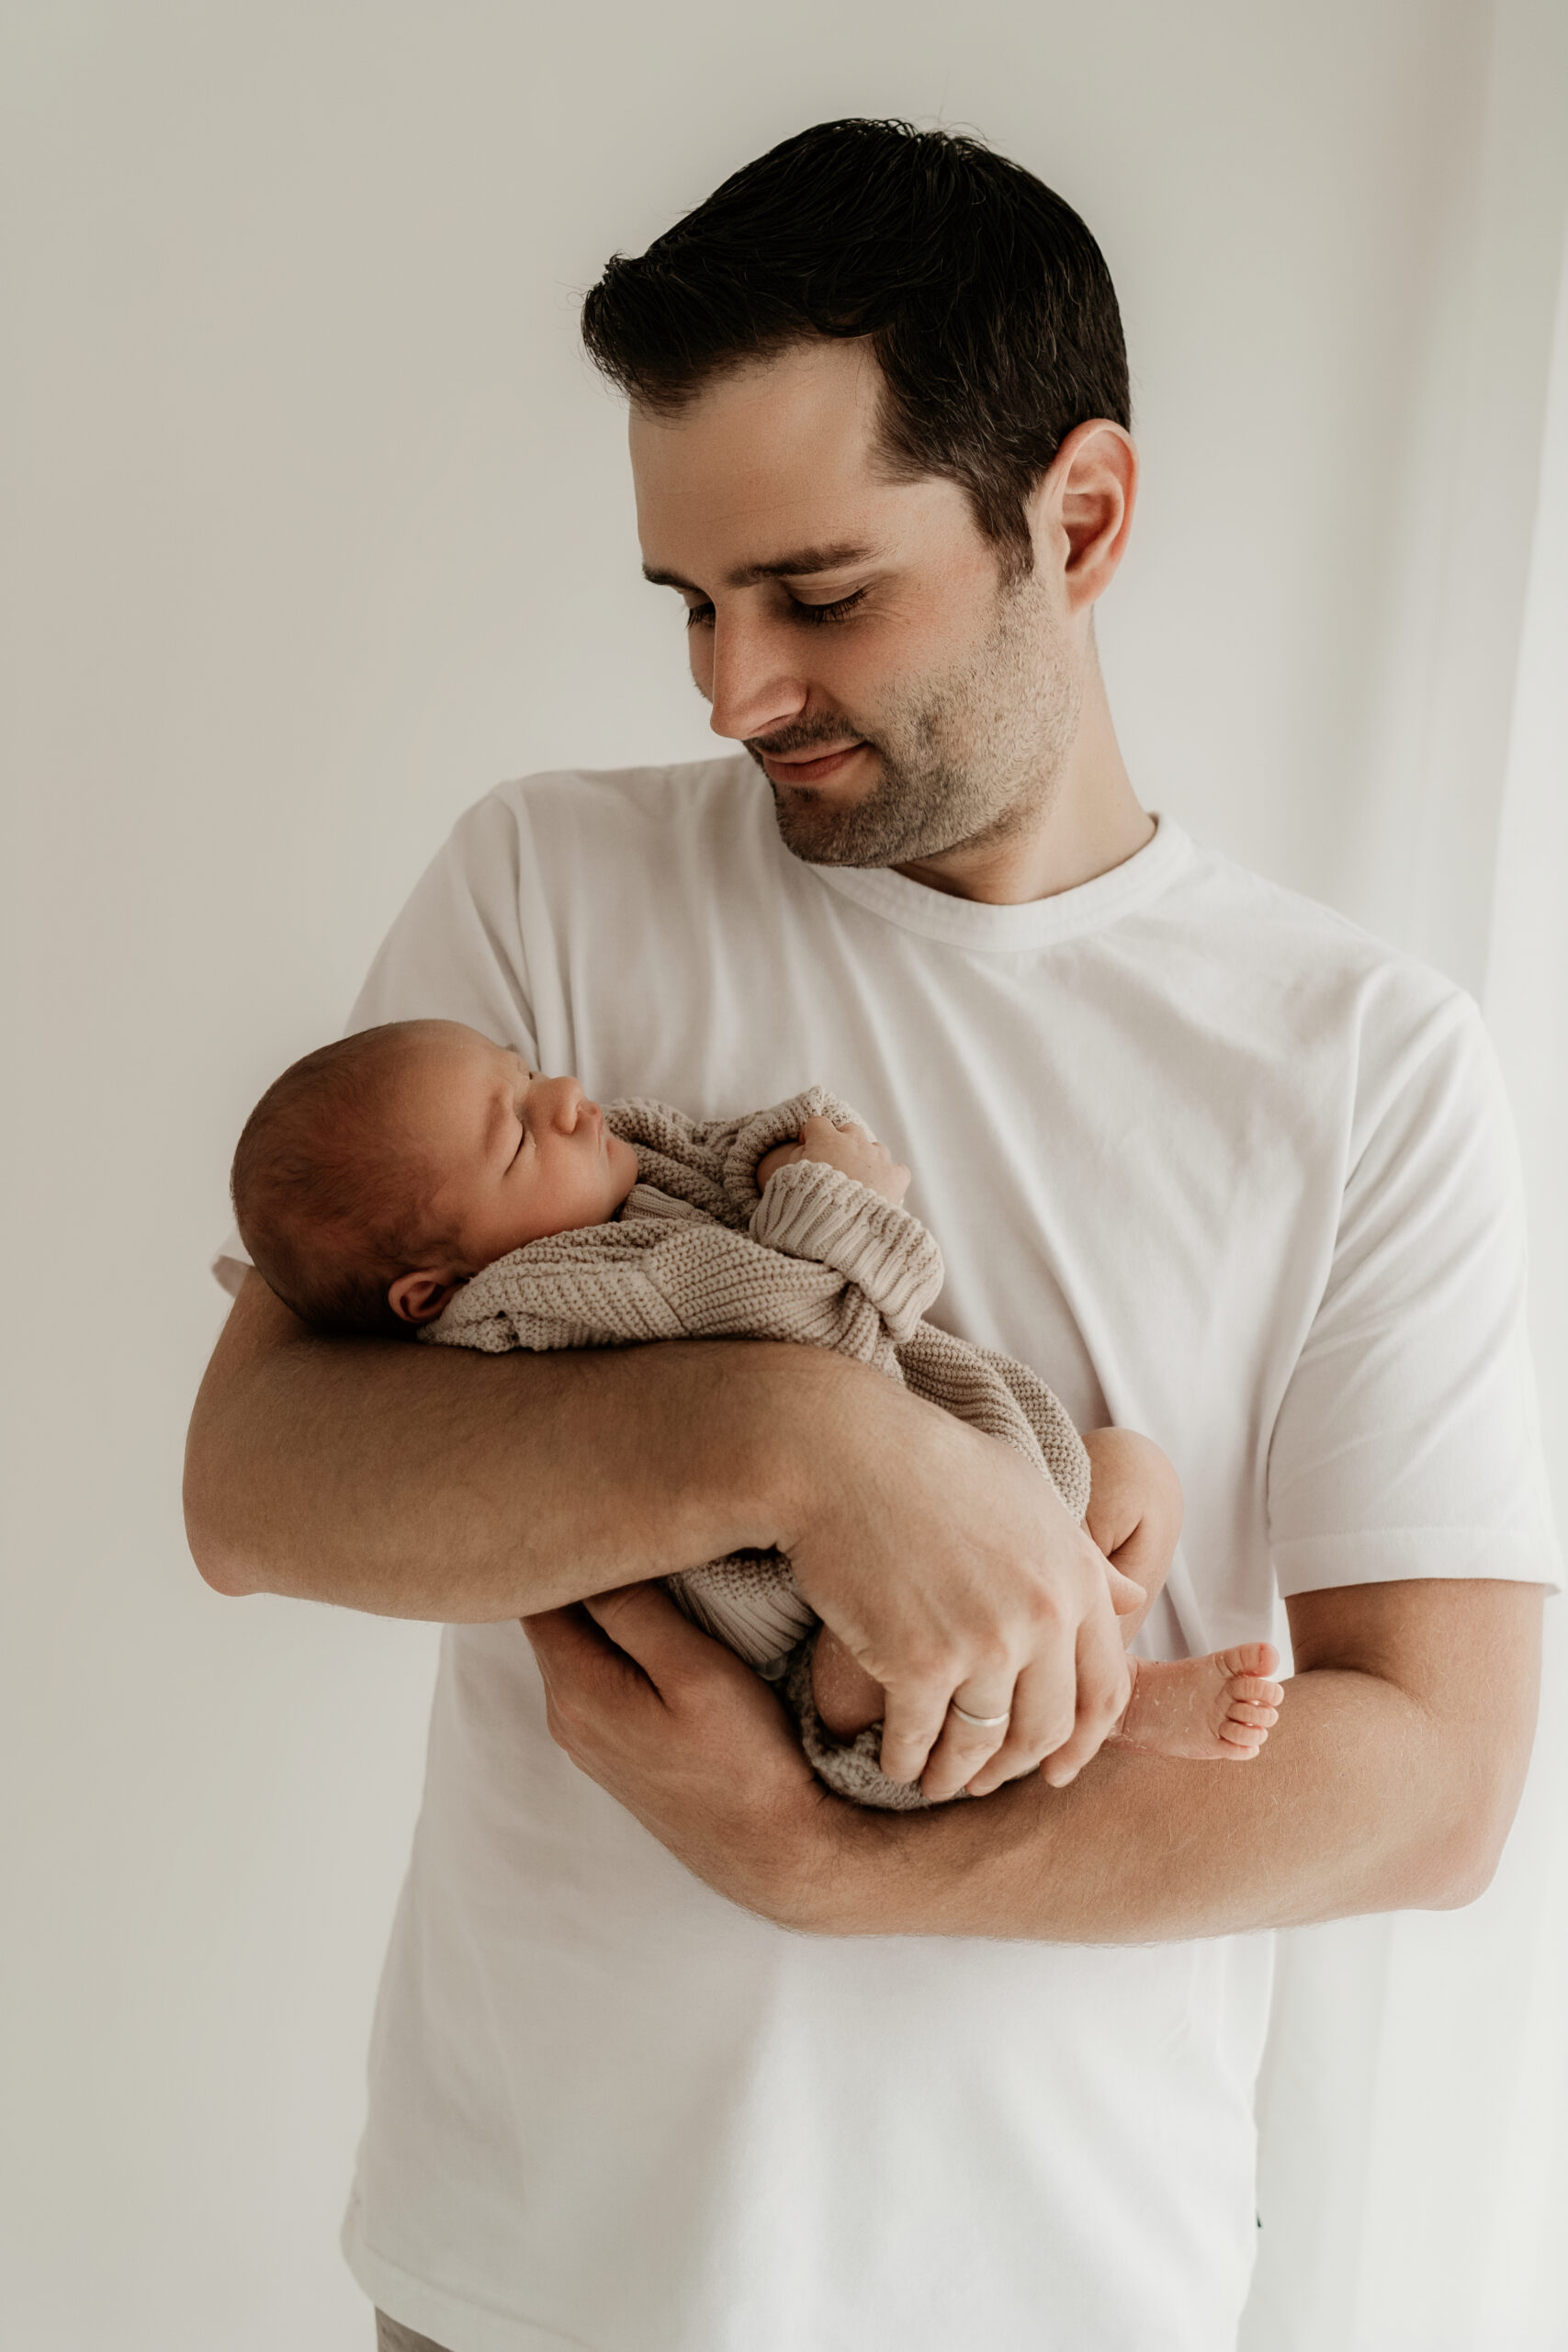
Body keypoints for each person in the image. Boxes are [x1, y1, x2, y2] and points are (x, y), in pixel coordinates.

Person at [184, 119, 1556, 2352]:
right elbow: (251, 1490)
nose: (729, 693)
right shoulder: (544, 891)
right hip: (520, 2284)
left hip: (1053, 2298)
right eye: (689, 603)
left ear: (1075, 519)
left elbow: (1432, 1782)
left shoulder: (1357, 1058)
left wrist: (830, 1858)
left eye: (815, 595)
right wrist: (795, 1434)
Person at [225, 1013, 1285, 1802]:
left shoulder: (596, 1181)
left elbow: (710, 1157)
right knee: (860, 1677)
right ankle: (1119, 1699)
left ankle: (1076, 1624)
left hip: (972, 1482)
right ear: (432, 1294)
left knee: (1134, 1474)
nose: (568, 1097)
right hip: (812, 1620)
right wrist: (838, 1202)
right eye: (515, 1138)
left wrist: (784, 1153)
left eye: (527, 1069)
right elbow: (799, 1338)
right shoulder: (547, 1304)